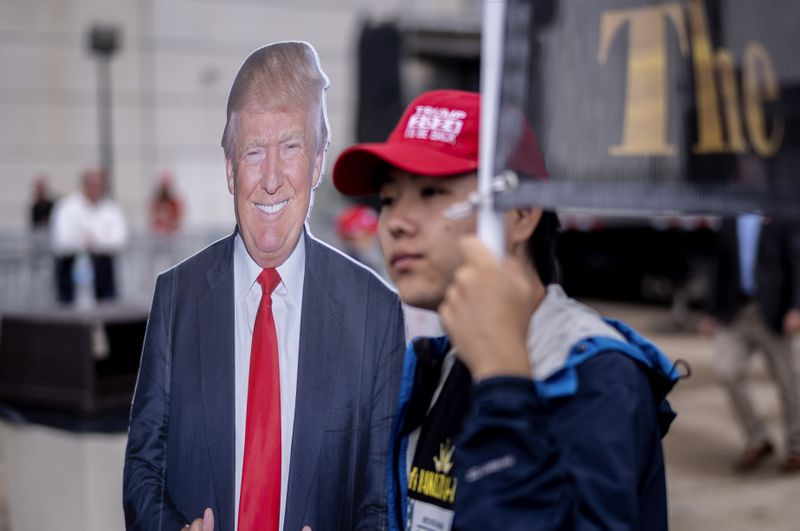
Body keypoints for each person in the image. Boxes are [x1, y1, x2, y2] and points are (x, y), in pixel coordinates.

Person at [333, 89, 681, 530]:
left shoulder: (597, 374)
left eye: (431, 191)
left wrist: (504, 384)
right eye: (387, 200)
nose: (398, 222)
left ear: (519, 214)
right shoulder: (433, 368)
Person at [123, 41, 406, 531]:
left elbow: (382, 503)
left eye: (291, 147)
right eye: (254, 151)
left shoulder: (374, 312)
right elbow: (142, 470)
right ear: (230, 168)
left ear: (317, 162)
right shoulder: (176, 298)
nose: (271, 179)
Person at [700, 214, 800, 472]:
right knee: (726, 371)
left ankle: (795, 447)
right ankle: (757, 439)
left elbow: (796, 260)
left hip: (773, 312)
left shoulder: (780, 213)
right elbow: (719, 264)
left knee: (786, 380)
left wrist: (796, 307)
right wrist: (711, 311)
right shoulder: (730, 216)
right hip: (736, 312)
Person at [50, 167, 128, 303]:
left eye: (98, 185)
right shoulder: (67, 206)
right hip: (71, 269)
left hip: (103, 271)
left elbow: (119, 240)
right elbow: (61, 240)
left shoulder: (111, 208)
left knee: (107, 308)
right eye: (92, 184)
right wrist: (94, 241)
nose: (95, 189)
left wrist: (94, 241)